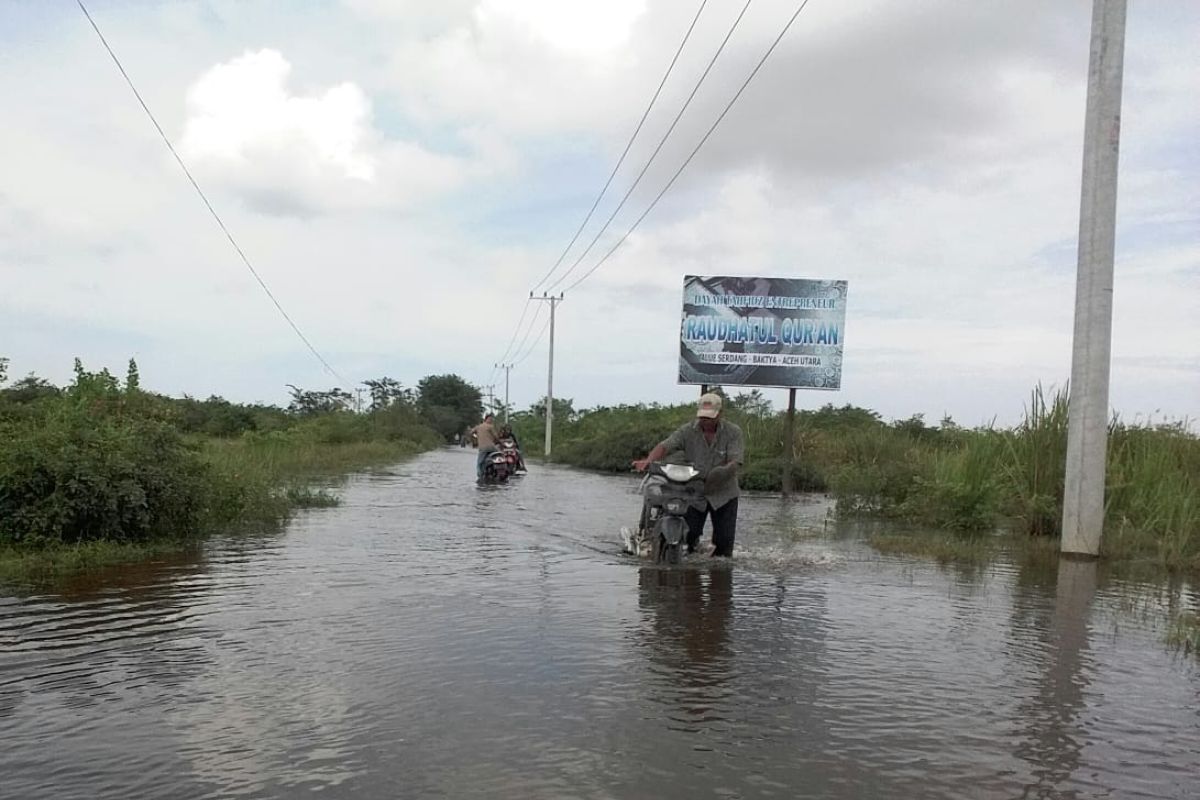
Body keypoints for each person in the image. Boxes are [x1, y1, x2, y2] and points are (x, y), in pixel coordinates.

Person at [632, 393, 744, 557]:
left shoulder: (733, 432)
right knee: (688, 537)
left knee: (724, 544)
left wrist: (721, 472)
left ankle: (719, 577)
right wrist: (648, 461)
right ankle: (687, 570)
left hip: (724, 492)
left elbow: (735, 461)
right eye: (702, 417)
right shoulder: (688, 430)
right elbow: (666, 445)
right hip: (694, 490)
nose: (705, 421)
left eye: (709, 417)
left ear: (720, 414)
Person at [471, 413, 501, 479]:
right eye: (490, 419)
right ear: (486, 419)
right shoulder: (491, 426)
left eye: (491, 419)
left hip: (483, 448)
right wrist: (499, 442)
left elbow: (471, 432)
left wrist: (476, 437)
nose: (491, 420)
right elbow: (496, 437)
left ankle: (480, 476)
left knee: (479, 463)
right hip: (492, 447)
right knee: (499, 455)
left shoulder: (478, 427)